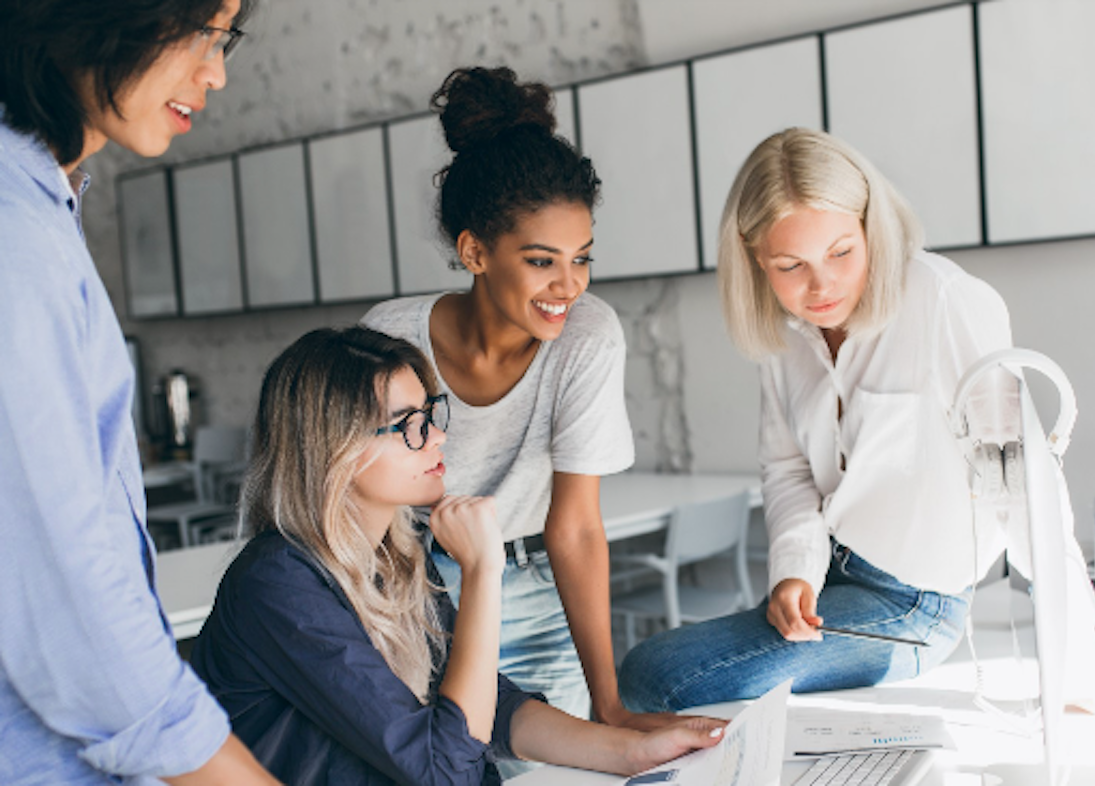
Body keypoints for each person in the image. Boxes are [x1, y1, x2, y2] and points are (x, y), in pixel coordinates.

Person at [190, 326, 725, 785]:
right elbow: (443, 770)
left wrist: (628, 751)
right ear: (336, 451)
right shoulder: (278, 584)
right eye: (409, 425)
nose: (438, 436)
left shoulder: (392, 557)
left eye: (431, 414)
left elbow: (491, 706)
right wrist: (484, 570)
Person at [618, 128, 1017, 712]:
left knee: (655, 676)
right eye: (790, 265)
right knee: (651, 675)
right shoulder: (785, 339)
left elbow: (1019, 475)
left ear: (870, 227)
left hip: (915, 605)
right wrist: (792, 575)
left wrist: (1080, 654)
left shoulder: (945, 300)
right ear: (756, 258)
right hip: (832, 578)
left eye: (840, 253)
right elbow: (788, 471)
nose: (821, 285)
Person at [0, 1, 280, 783]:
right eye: (200, 32)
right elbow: (66, 595)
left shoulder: (46, 208)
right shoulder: (13, 238)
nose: (216, 72)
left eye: (226, 41)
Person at [362, 66, 673, 733]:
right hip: (411, 595)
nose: (569, 284)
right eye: (541, 261)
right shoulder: (390, 336)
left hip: (530, 590)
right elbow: (358, 494)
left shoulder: (587, 337)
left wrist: (608, 704)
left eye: (581, 257)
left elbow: (577, 528)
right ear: (476, 251)